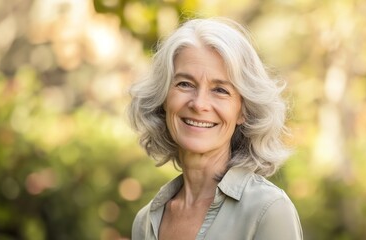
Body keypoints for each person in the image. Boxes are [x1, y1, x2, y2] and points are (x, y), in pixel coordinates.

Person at [128, 17, 303, 240]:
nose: (199, 104)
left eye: (220, 90)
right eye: (184, 84)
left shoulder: (268, 210)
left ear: (243, 111)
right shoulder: (145, 222)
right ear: (163, 97)